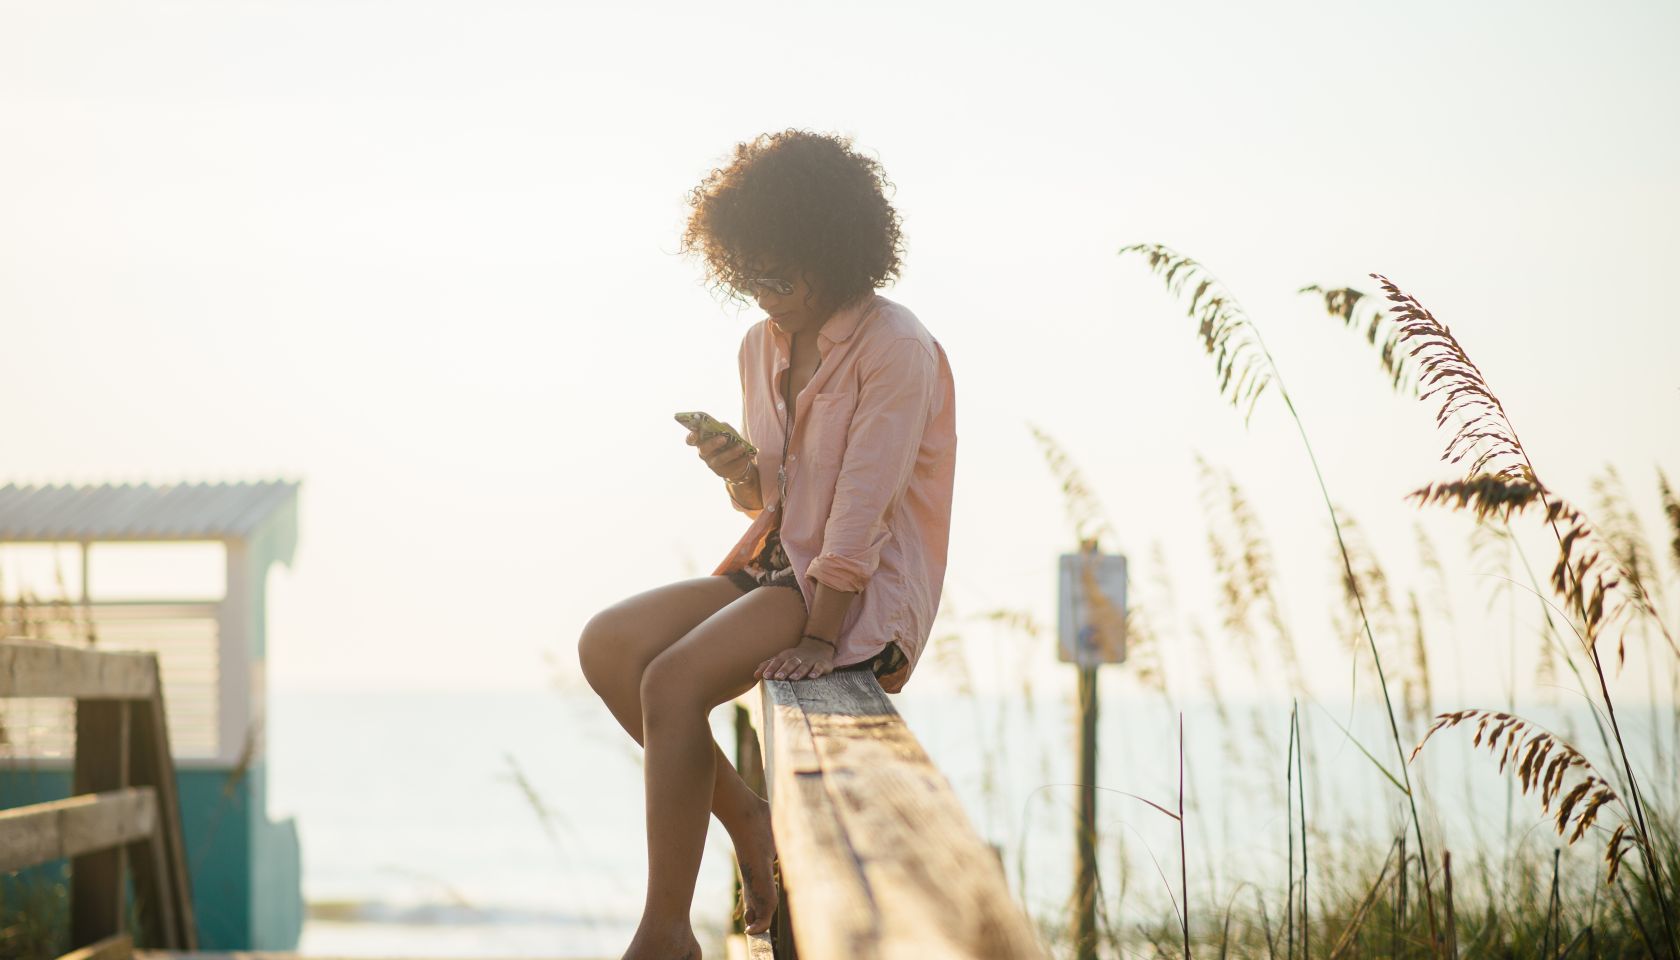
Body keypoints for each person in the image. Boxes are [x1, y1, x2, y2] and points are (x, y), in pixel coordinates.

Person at [576, 128, 956, 960]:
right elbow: (776, 500)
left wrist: (823, 632)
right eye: (748, 276)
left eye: (779, 275)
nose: (764, 295)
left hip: (851, 595)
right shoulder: (762, 346)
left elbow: (863, 509)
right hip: (778, 566)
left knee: (673, 683)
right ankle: (748, 813)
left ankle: (667, 931)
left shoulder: (896, 348)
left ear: (834, 251)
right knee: (609, 645)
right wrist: (737, 470)